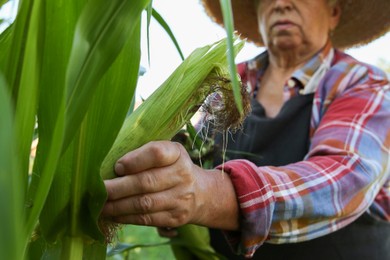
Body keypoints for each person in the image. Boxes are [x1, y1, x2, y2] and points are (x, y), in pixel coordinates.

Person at [102, 0, 390, 259]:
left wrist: (206, 195)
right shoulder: (228, 78)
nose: (281, 4)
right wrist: (167, 186)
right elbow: (197, 152)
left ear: (334, 12)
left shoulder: (363, 83)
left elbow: (345, 176)